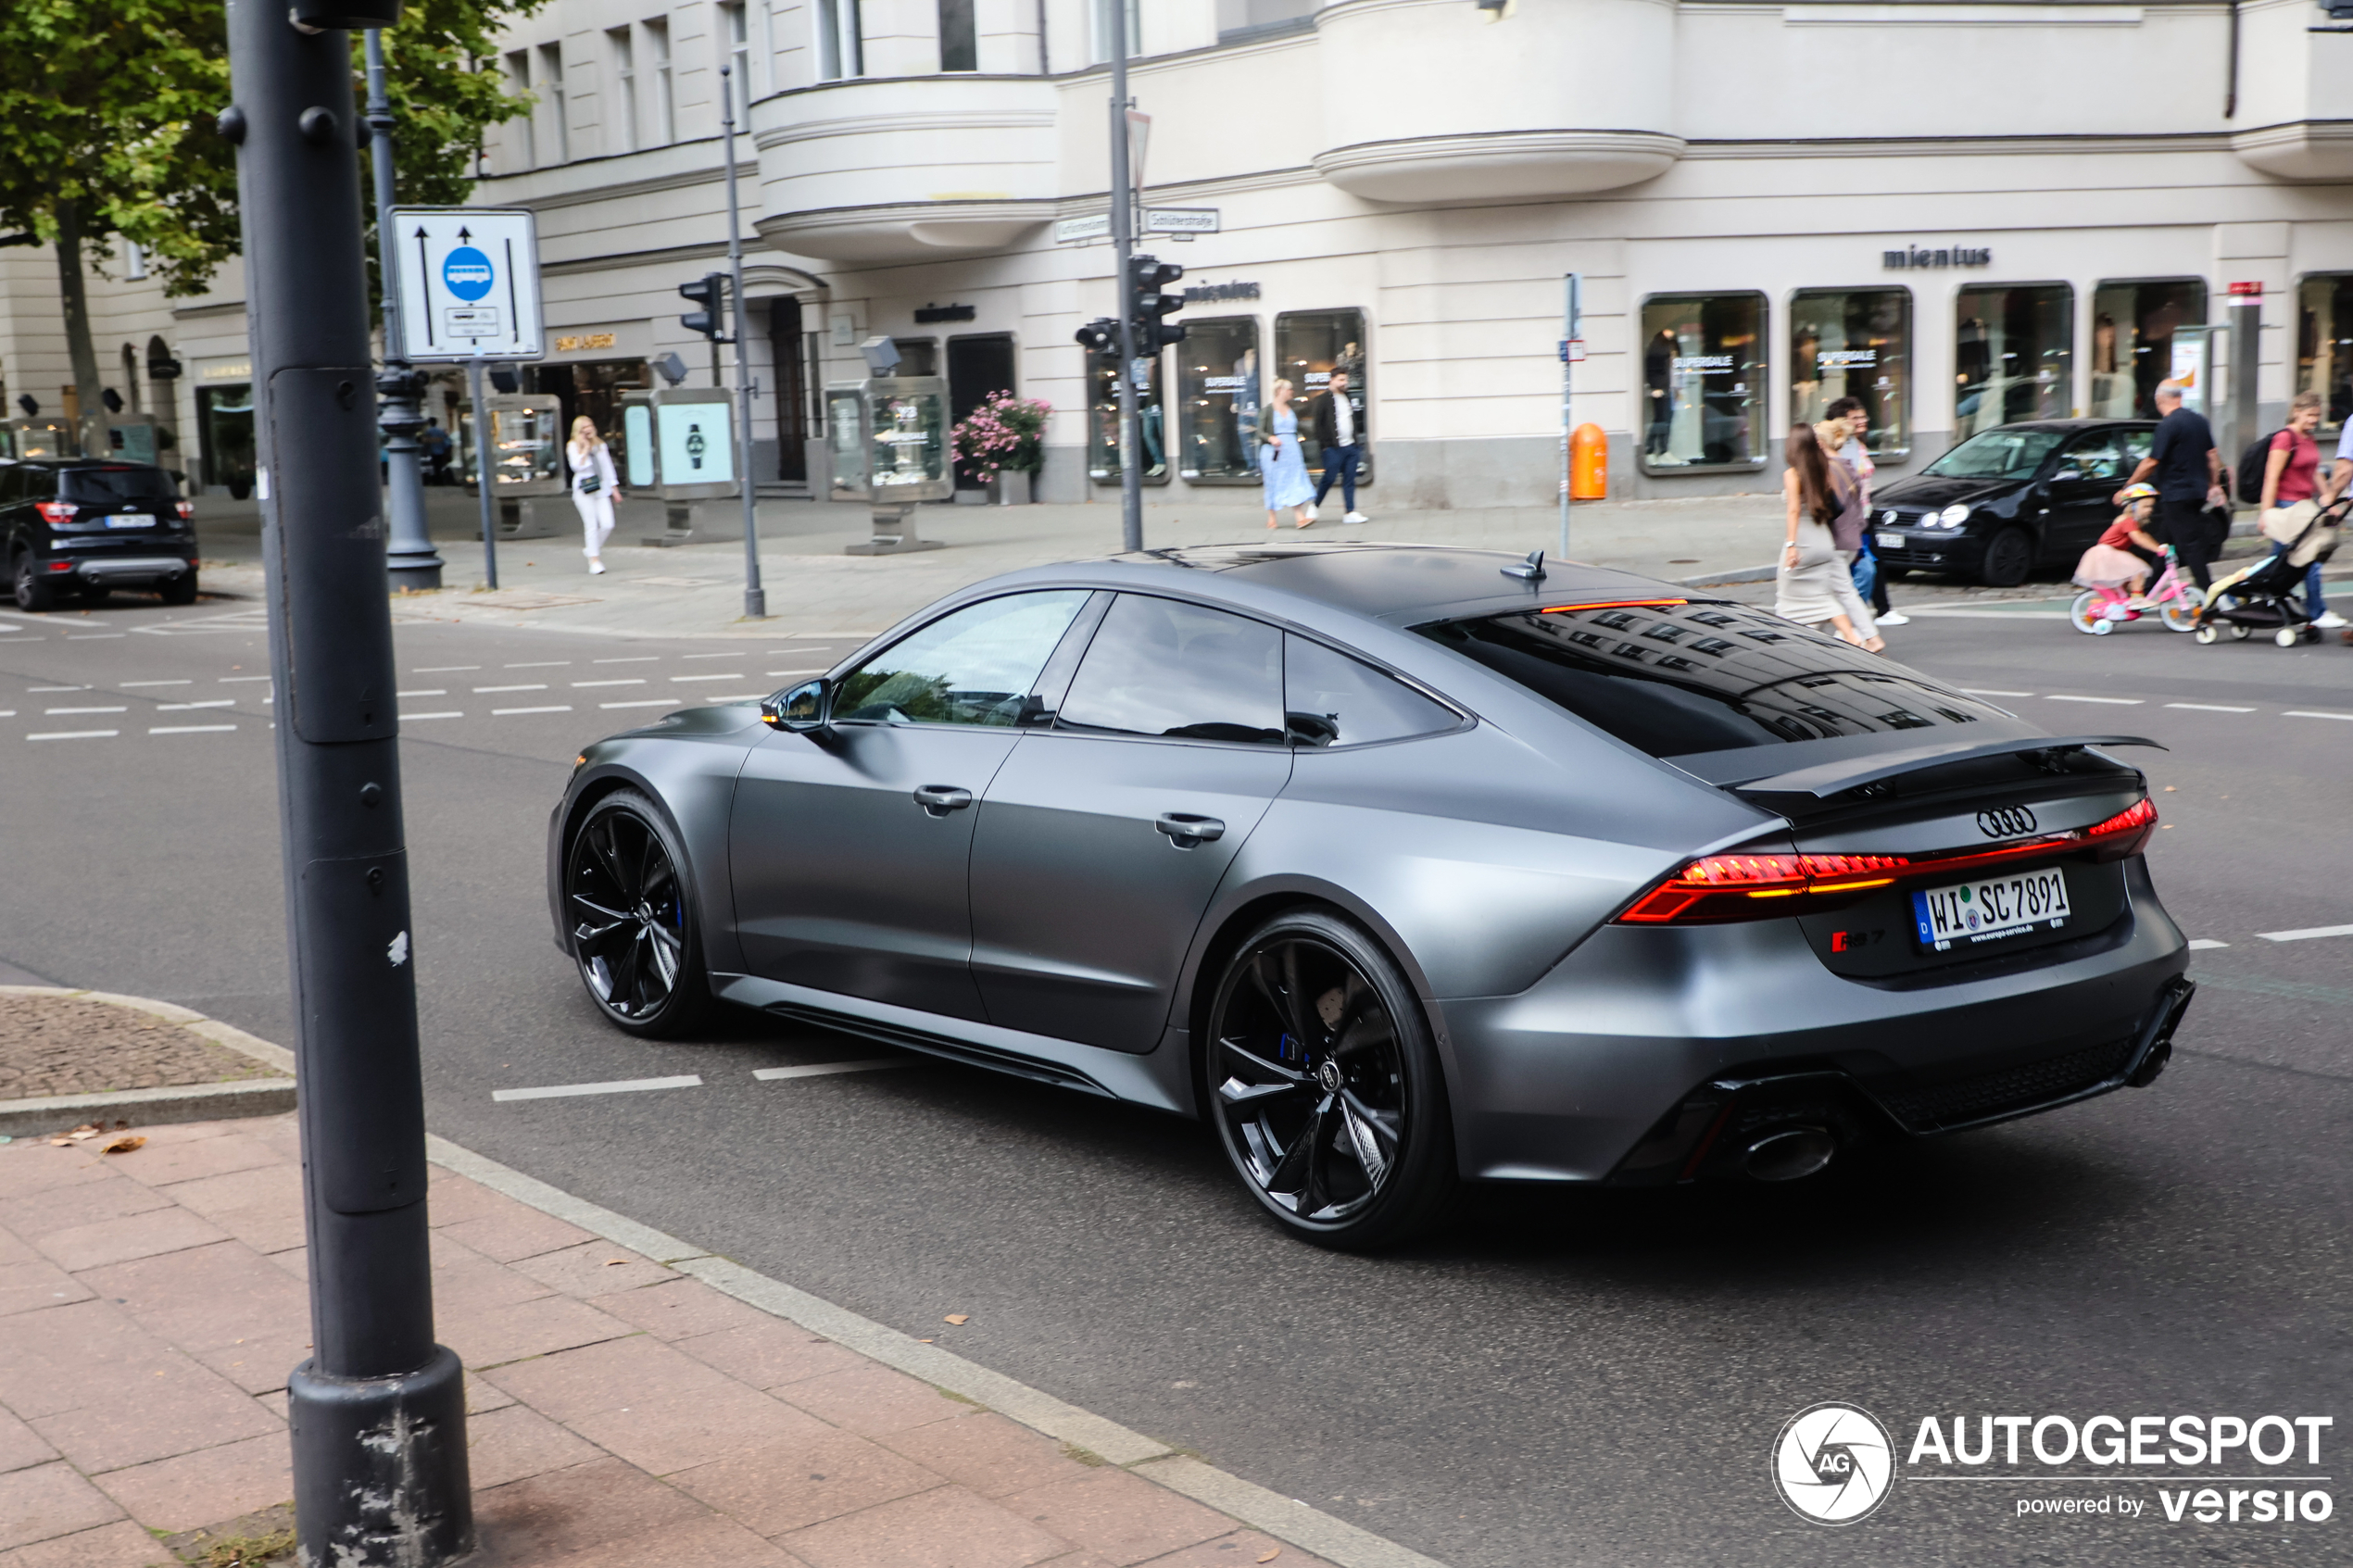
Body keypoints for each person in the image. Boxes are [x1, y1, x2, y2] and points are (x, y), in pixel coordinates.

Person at [1779, 424, 1883, 651]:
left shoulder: (1792, 473)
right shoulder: (1825, 469)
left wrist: (1790, 545)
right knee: (1822, 595)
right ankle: (1848, 637)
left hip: (1805, 539)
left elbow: (1794, 510)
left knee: (1787, 594)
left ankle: (1790, 645)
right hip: (1824, 539)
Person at [2116, 380, 2225, 590]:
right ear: (2180, 397)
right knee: (2166, 541)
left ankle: (2209, 593)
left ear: (2159, 400)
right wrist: (2213, 484)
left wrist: (2127, 488)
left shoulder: (2168, 425)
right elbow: (2212, 456)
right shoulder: (2199, 421)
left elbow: (2151, 462)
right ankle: (2149, 589)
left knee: (2190, 545)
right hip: (2197, 492)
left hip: (2176, 493)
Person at [2260, 390, 2343, 629]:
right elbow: (2271, 477)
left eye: (2317, 415)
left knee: (2279, 560)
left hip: (2304, 506)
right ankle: (2316, 611)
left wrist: (2328, 498)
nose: (2314, 420)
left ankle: (2238, 595)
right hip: (2287, 506)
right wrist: (2266, 513)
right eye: (2309, 415)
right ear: (2296, 411)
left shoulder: (2309, 438)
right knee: (2309, 558)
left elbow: (2314, 471)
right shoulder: (2285, 438)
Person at [1825, 395, 1908, 627]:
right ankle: (1853, 618)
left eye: (1863, 416)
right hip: (1850, 516)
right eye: (1855, 418)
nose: (1862, 421)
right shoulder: (1841, 448)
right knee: (1863, 566)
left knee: (1872, 563)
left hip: (1863, 513)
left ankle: (1880, 610)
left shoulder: (1857, 444)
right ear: (1840, 422)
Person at [2074, 483, 2165, 607]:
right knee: (2137, 569)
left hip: (2111, 553)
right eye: (2145, 507)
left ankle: (2125, 601)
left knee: (2126, 578)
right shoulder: (2128, 521)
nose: (2150, 510)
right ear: (2133, 507)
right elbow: (2138, 538)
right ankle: (2137, 598)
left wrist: (2160, 545)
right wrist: (2157, 549)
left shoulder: (2133, 523)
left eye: (2151, 507)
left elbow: (2145, 536)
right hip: (2105, 553)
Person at [1308, 369, 1367, 524]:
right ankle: (1314, 506)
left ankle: (1350, 512)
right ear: (1332, 380)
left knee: (1349, 479)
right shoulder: (1323, 399)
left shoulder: (1347, 397)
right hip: (1333, 448)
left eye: (1345, 380)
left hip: (1351, 446)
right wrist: (1325, 446)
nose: (1344, 383)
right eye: (1341, 380)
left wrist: (1355, 444)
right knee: (1329, 477)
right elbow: (1317, 425)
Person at [565, 415, 622, 574]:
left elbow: (607, 467)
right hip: (584, 488)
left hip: (601, 488)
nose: (588, 430)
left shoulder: (600, 445)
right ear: (578, 431)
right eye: (584, 428)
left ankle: (591, 548)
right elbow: (577, 467)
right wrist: (584, 450)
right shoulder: (573, 446)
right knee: (591, 524)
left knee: (608, 523)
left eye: (589, 426)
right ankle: (594, 561)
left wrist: (614, 488)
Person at [1258, 378, 1315, 530]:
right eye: (1289, 389)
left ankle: (1299, 517)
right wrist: (1271, 438)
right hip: (1273, 451)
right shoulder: (1268, 410)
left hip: (1291, 450)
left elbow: (1298, 427)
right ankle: (1272, 518)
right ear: (1279, 391)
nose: (1292, 392)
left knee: (1295, 479)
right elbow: (1259, 431)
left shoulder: (1291, 409)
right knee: (1273, 482)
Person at [420, 420, 452, 484]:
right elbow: (447, 443)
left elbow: (426, 443)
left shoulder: (428, 432)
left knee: (434, 467)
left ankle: (436, 480)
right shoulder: (441, 431)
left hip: (432, 452)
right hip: (441, 452)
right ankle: (439, 480)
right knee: (439, 466)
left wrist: (424, 451)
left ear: (430, 423)